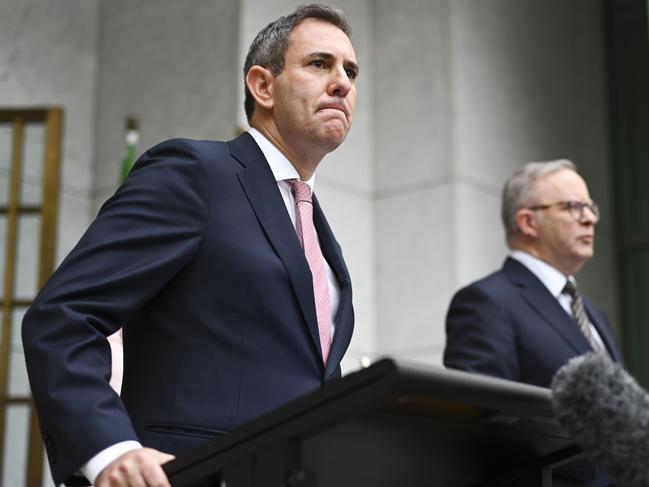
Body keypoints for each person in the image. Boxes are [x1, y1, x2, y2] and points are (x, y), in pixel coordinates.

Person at [22, 5, 357, 486]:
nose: (343, 82)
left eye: (351, 70)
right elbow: (64, 317)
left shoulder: (320, 235)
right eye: (320, 64)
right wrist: (109, 449)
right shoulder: (194, 173)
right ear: (262, 86)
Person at [444, 160, 622, 388]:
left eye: (590, 207)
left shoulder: (593, 314)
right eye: (573, 206)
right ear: (528, 222)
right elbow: (482, 411)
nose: (590, 218)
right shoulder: (487, 303)